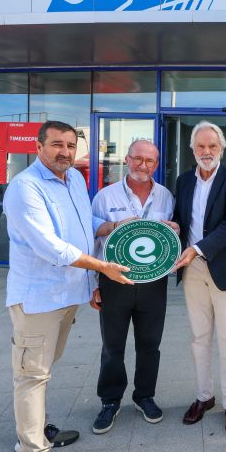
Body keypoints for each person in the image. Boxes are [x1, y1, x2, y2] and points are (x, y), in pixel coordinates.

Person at [3, 120, 134, 452]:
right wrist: (102, 268)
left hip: (67, 296)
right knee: (32, 376)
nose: (65, 152)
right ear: (38, 147)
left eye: (71, 145)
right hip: (39, 299)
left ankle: (36, 430)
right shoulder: (25, 187)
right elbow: (50, 246)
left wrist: (111, 227)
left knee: (44, 368)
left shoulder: (74, 178)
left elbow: (81, 223)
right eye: (57, 144)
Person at [89, 139, 179, 433]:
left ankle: (144, 396)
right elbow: (92, 241)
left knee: (150, 345)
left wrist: (176, 229)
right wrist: (93, 284)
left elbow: (170, 239)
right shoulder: (105, 196)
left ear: (156, 164)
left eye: (149, 160)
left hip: (154, 283)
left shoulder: (166, 197)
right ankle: (110, 401)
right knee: (112, 346)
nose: (143, 165)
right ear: (127, 160)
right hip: (114, 281)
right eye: (137, 158)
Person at [171, 121, 226, 436]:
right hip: (192, 270)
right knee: (199, 337)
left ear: (221, 149)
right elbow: (182, 219)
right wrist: (174, 229)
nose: (206, 151)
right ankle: (204, 397)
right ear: (192, 149)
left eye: (212, 146)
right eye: (201, 146)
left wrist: (197, 249)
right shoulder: (183, 181)